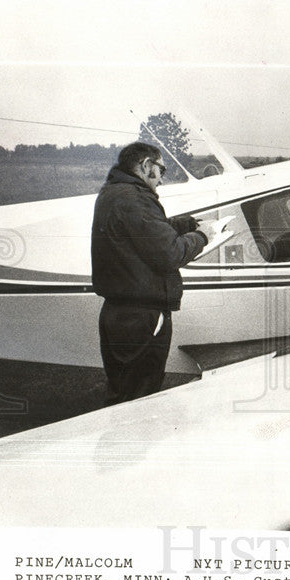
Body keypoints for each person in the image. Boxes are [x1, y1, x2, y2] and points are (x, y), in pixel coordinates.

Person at [91, 142, 217, 404]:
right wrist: (203, 236)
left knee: (123, 392)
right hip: (141, 317)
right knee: (140, 398)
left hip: (119, 314)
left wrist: (187, 224)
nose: (162, 178)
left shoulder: (114, 193)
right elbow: (170, 253)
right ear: (146, 165)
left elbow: (146, 230)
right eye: (162, 169)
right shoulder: (136, 199)